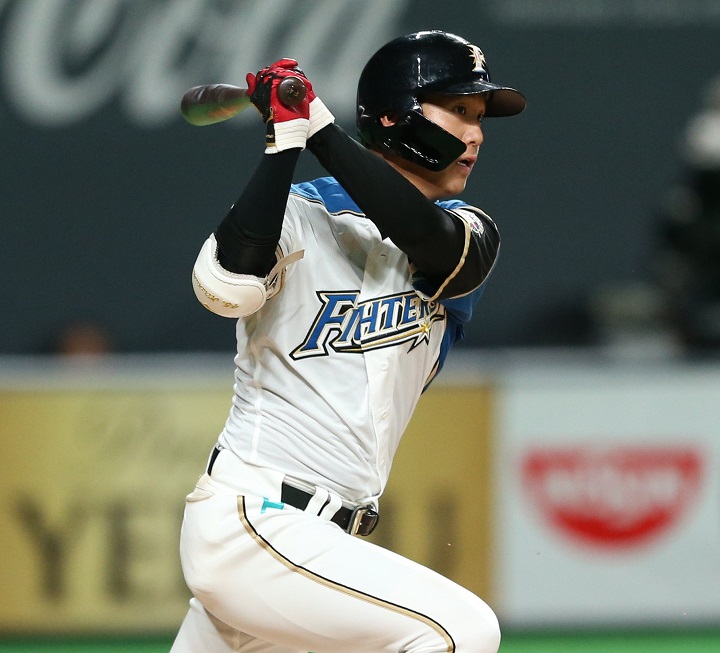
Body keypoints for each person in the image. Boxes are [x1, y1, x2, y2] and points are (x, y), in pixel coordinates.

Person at [170, 30, 525, 653]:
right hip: (255, 520)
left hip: (319, 541)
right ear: (394, 117)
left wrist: (319, 130)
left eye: (479, 117)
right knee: (461, 629)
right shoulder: (297, 213)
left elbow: (433, 244)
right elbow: (225, 290)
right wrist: (285, 143)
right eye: (459, 110)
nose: (476, 134)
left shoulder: (468, 230)